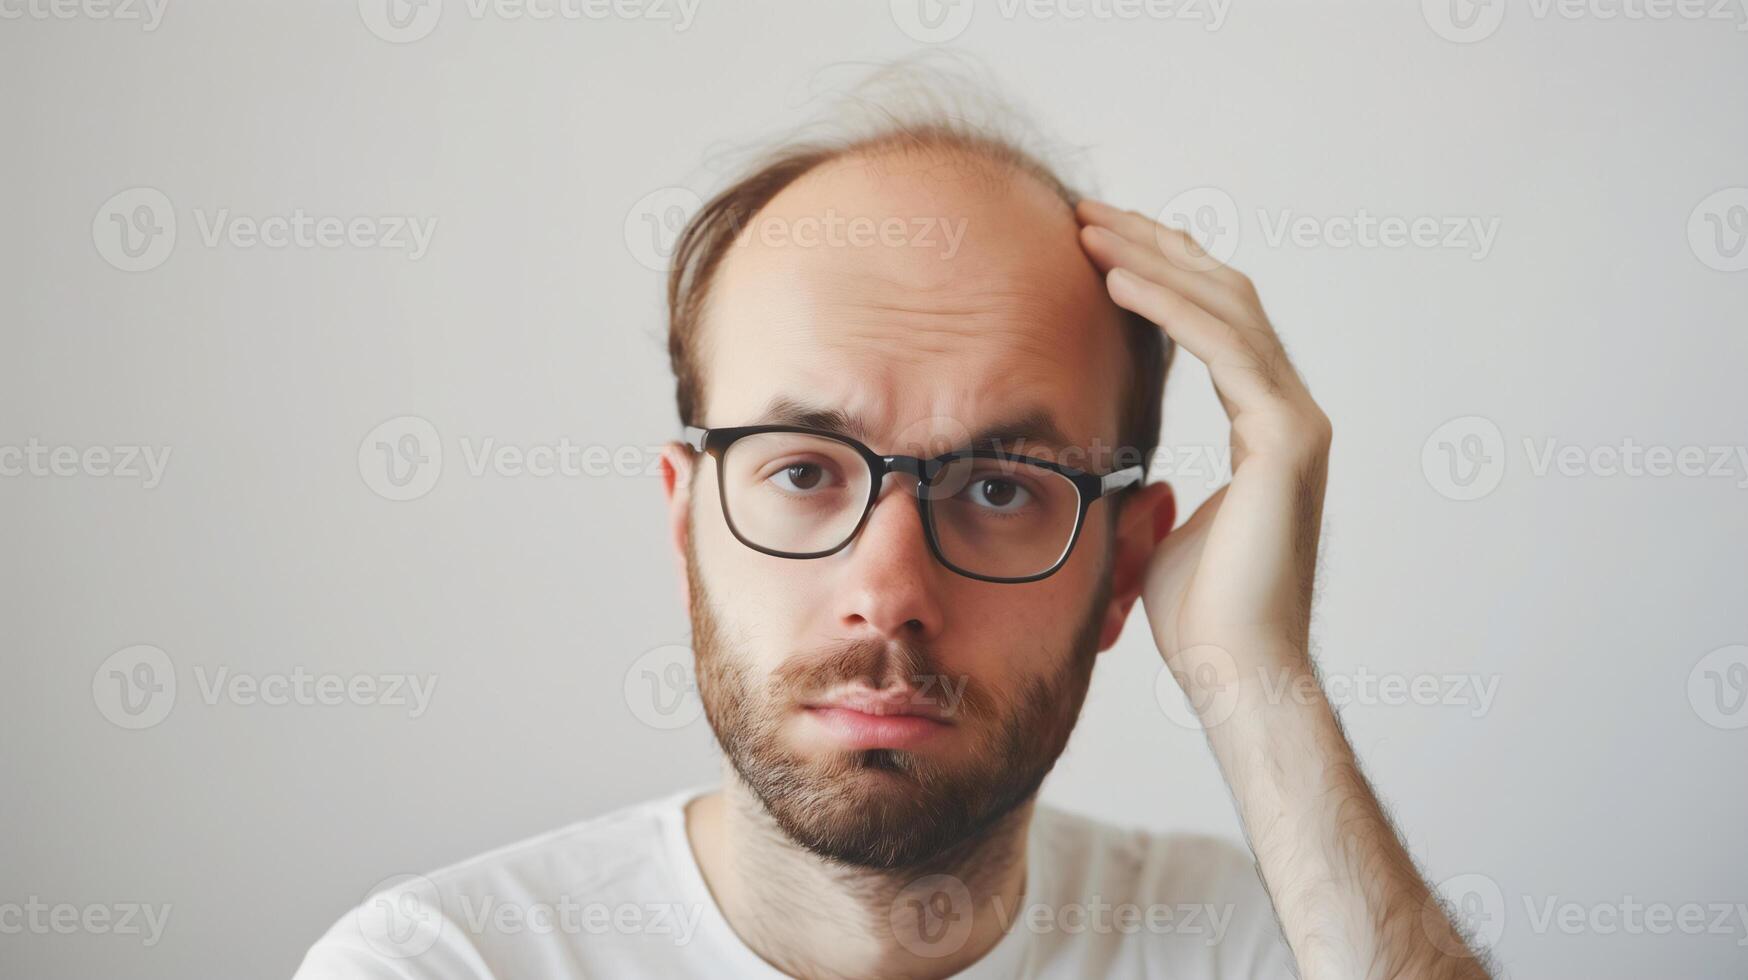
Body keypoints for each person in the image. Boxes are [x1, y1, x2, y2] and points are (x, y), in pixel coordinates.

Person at [296, 87, 1489, 980]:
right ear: (687, 521)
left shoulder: (1257, 941)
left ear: (1123, 563)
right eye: (804, 470)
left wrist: (1260, 681)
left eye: (1002, 485)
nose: (889, 590)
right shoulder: (448, 962)